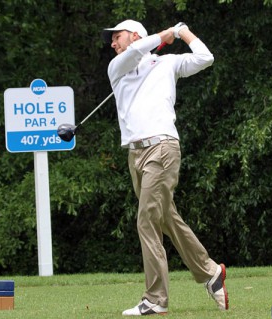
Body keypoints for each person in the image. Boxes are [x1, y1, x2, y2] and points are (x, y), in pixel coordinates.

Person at [102, 20, 228, 316]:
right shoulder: (117, 67)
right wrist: (165, 34)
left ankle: (155, 299)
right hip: (135, 155)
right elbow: (136, 51)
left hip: (162, 148)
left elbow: (205, 58)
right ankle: (211, 273)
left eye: (116, 36)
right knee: (166, 218)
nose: (112, 43)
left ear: (134, 35)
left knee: (146, 220)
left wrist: (183, 33)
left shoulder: (167, 63)